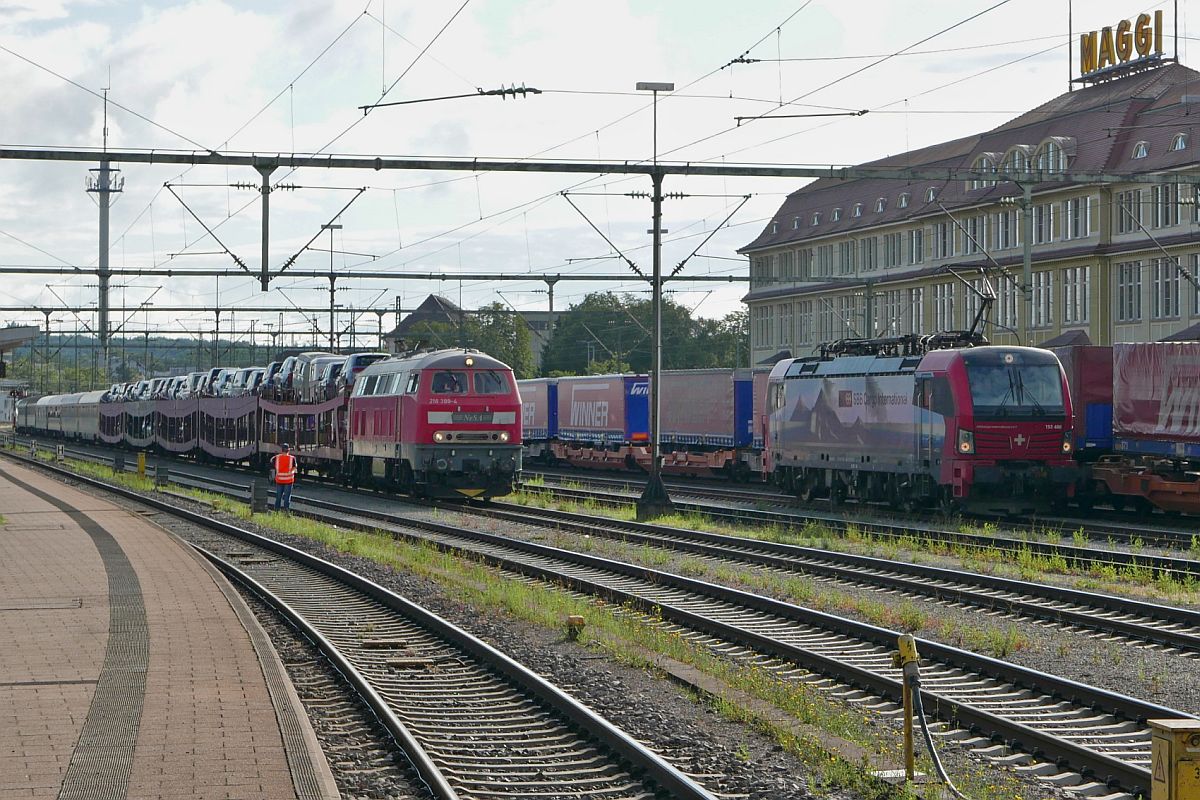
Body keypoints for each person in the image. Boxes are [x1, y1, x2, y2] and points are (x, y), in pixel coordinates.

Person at [271, 443, 297, 511]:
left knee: (278, 496)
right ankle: (286, 511)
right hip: (288, 481)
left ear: (282, 450)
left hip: (279, 480)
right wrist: (291, 472)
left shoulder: (277, 457)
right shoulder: (292, 458)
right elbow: (294, 468)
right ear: (288, 450)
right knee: (287, 497)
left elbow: (272, 462)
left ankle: (276, 510)